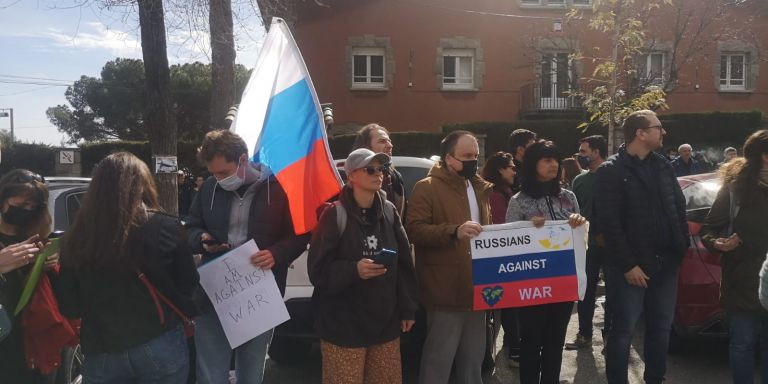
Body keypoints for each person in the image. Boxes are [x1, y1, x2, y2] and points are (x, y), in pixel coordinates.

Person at [56, 152, 199, 383]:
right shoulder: (166, 226)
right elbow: (189, 283)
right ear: (143, 184)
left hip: (101, 348)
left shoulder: (75, 239)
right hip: (159, 340)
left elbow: (69, 306)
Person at [185, 129, 309, 384]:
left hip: (260, 295)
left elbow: (300, 233)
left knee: (251, 374)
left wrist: (277, 254)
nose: (218, 179)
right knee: (209, 374)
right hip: (213, 293)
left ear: (243, 160)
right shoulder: (209, 188)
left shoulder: (281, 187)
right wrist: (201, 240)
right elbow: (192, 225)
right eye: (213, 174)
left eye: (223, 173)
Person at [308, 148, 419, 384]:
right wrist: (353, 270)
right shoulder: (333, 215)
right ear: (351, 177)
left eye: (381, 169)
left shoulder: (389, 211)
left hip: (385, 324)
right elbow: (317, 272)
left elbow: (404, 264)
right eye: (370, 169)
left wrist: (408, 309)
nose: (378, 174)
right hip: (343, 326)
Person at [594, 110, 689, 384]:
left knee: (661, 329)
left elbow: (678, 209)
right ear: (641, 132)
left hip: (666, 262)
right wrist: (627, 265)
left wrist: (679, 246)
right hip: (629, 268)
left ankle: (655, 379)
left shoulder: (663, 166)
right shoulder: (611, 170)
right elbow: (609, 225)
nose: (664, 132)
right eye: (659, 127)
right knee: (623, 331)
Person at [407, 130, 493, 384]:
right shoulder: (427, 188)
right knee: (438, 360)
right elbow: (414, 230)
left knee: (473, 361)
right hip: (444, 290)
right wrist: (453, 231)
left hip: (477, 289)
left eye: (476, 155)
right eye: (466, 155)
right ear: (448, 158)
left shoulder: (478, 187)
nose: (473, 161)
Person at [505, 140, 587, 384]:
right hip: (531, 284)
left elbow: (582, 237)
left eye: (556, 161)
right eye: (547, 160)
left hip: (563, 281)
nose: (554, 165)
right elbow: (509, 241)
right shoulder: (518, 200)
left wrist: (578, 222)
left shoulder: (569, 197)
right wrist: (527, 228)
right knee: (531, 342)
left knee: (555, 342)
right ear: (533, 165)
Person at [701, 130, 768, 384]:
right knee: (743, 345)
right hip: (742, 283)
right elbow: (709, 229)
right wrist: (717, 243)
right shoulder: (735, 190)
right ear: (764, 157)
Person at [0, 169, 59, 384]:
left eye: (33, 207)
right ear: (4, 198)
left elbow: (28, 292)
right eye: (23, 204)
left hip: (32, 335)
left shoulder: (33, 236)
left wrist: (45, 268)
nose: (28, 210)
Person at [566, 135, 609, 351]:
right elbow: (575, 212)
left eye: (583, 152)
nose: (579, 156)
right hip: (586, 246)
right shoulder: (579, 181)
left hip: (612, 245)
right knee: (585, 291)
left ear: (596, 152)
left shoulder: (614, 176)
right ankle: (584, 334)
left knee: (614, 292)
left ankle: (610, 336)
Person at [480, 151, 521, 365]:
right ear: (500, 170)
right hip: (500, 261)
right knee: (507, 308)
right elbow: (500, 229)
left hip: (504, 260)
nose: (515, 171)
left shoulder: (503, 192)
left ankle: (509, 348)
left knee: (506, 309)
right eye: (511, 167)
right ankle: (512, 350)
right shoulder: (496, 196)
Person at [352, 124, 406, 217]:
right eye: (382, 141)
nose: (390, 145)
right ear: (366, 147)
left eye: (389, 141)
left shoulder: (395, 177)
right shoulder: (351, 180)